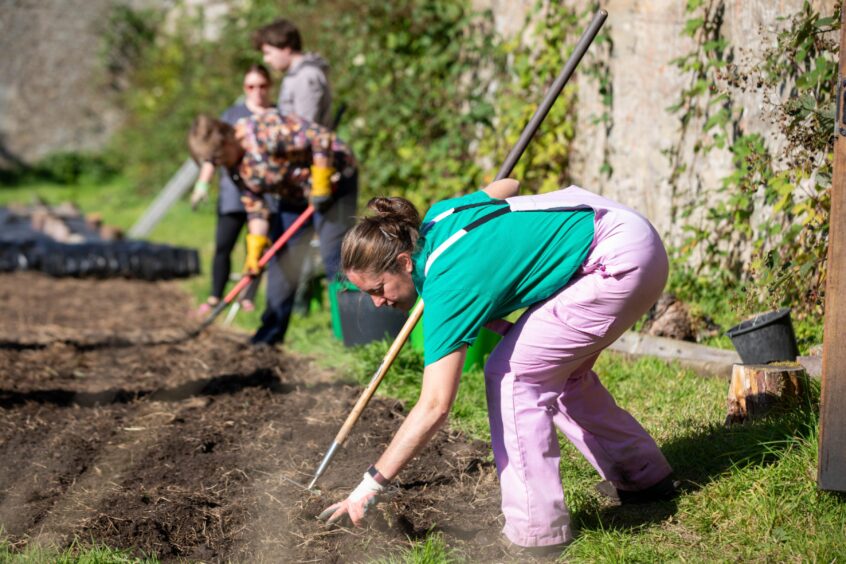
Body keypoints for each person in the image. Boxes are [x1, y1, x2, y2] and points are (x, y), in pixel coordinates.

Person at [318, 180, 678, 558]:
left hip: (614, 263)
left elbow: (434, 405)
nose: (377, 303)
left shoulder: (448, 285)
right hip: (626, 230)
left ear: (405, 263)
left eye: (378, 288)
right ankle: (643, 478)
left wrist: (371, 484)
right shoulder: (442, 214)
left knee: (513, 377)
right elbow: (508, 184)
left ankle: (537, 534)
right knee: (557, 372)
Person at [187, 109, 357, 344]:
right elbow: (256, 208)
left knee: (334, 254)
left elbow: (320, 138)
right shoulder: (234, 167)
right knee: (282, 258)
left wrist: (320, 181)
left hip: (334, 181)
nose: (217, 166)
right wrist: (255, 251)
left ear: (226, 141)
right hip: (293, 194)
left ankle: (355, 333)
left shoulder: (263, 130)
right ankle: (270, 334)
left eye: (216, 158)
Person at [191, 64, 275, 316]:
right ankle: (216, 296)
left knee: (257, 247)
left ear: (269, 87)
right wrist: (202, 183)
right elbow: (212, 153)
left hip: (264, 193)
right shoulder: (233, 114)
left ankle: (247, 297)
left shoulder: (277, 115)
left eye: (262, 85)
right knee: (223, 246)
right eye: (251, 86)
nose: (257, 91)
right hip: (233, 193)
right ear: (244, 88)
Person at [252, 18, 332, 127]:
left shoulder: (305, 76)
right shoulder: (296, 75)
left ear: (286, 48)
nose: (266, 59)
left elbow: (305, 129)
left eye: (268, 53)